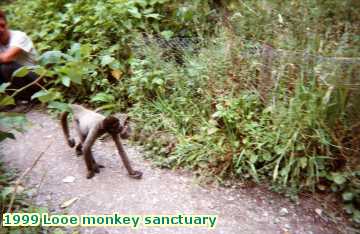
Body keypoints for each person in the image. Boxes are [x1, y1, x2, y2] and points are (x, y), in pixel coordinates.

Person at [0, 9, 39, 101]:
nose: (0, 30)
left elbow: (7, 58)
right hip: (16, 83)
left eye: (2, 25)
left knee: (6, 66)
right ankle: (9, 99)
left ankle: (26, 99)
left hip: (35, 80)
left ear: (7, 24)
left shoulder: (19, 36)